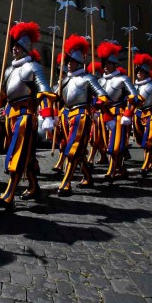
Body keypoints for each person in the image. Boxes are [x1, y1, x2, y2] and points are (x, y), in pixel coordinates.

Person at [0, 22, 55, 209]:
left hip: (25, 118)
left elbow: (45, 93)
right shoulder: (8, 70)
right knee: (28, 155)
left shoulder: (34, 68)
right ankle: (34, 186)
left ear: (26, 48)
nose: (15, 49)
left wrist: (48, 115)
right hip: (10, 118)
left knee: (17, 155)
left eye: (18, 46)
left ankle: (10, 193)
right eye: (13, 46)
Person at [56, 35, 109, 196]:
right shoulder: (64, 80)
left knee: (73, 148)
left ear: (79, 62)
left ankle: (66, 183)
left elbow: (103, 95)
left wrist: (99, 103)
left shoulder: (88, 78)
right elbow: (56, 97)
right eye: (68, 61)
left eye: (72, 61)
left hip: (81, 115)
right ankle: (87, 177)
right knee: (70, 147)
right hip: (66, 115)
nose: (69, 64)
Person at [96, 42, 138, 182]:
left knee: (114, 145)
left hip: (119, 116)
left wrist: (128, 113)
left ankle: (111, 171)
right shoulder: (100, 80)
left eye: (109, 64)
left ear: (114, 65)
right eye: (104, 63)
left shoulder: (123, 79)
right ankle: (122, 169)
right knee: (106, 144)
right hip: (104, 116)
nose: (106, 66)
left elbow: (134, 97)